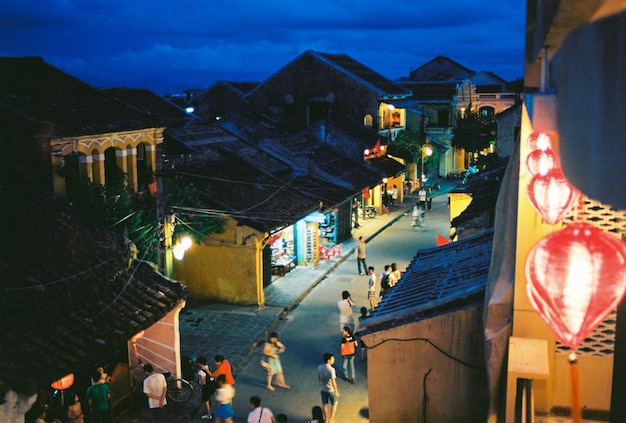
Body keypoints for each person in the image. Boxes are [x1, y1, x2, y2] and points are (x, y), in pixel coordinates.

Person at [318, 353, 339, 423]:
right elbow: (333, 381)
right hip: (330, 390)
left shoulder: (319, 367)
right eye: (332, 359)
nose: (334, 360)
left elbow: (319, 378)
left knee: (324, 404)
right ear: (328, 360)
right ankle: (331, 419)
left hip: (323, 388)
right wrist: (336, 390)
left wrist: (320, 386)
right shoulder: (331, 370)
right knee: (334, 403)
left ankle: (326, 419)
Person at [196, 356, 214, 420]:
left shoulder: (201, 372)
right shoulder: (208, 367)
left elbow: (202, 382)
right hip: (211, 386)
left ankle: (209, 414)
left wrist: (200, 389)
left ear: (200, 363)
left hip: (206, 387)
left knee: (206, 400)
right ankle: (209, 410)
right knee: (209, 398)